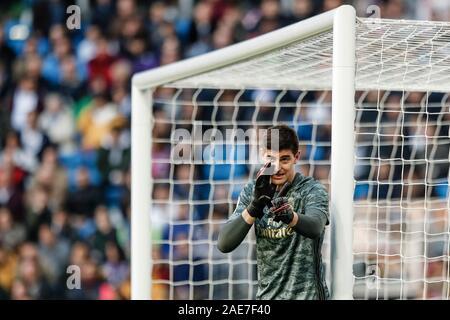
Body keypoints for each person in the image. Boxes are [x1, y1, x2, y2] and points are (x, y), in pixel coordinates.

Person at [217, 124, 330, 300]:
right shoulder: (251, 192)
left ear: (296, 157)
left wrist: (290, 217)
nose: (277, 168)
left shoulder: (312, 190)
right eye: (271, 158)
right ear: (262, 155)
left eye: (284, 159)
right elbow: (224, 243)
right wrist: (254, 207)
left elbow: (315, 227)